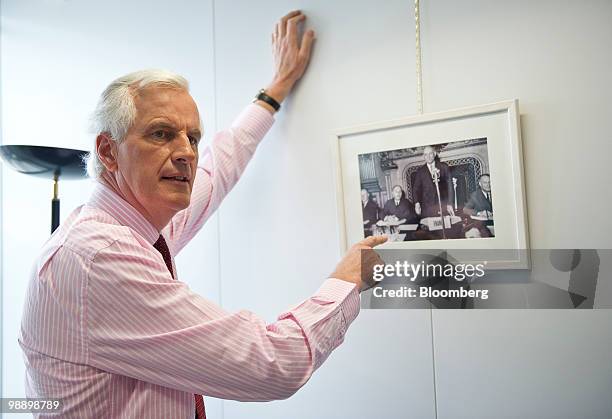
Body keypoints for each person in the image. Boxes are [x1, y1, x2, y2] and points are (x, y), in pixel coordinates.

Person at [18, 11, 386, 419]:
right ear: (107, 151)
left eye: (192, 136)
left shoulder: (133, 224)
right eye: (161, 133)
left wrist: (274, 91)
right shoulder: (101, 256)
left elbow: (218, 167)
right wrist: (348, 280)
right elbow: (270, 364)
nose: (186, 152)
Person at [413, 145, 455, 219]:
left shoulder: (444, 167)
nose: (428, 156)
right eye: (426, 155)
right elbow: (416, 189)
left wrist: (450, 203)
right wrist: (417, 203)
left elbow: (450, 186)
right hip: (427, 208)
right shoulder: (420, 171)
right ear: (424, 156)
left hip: (443, 205)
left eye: (430, 154)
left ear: (434, 154)